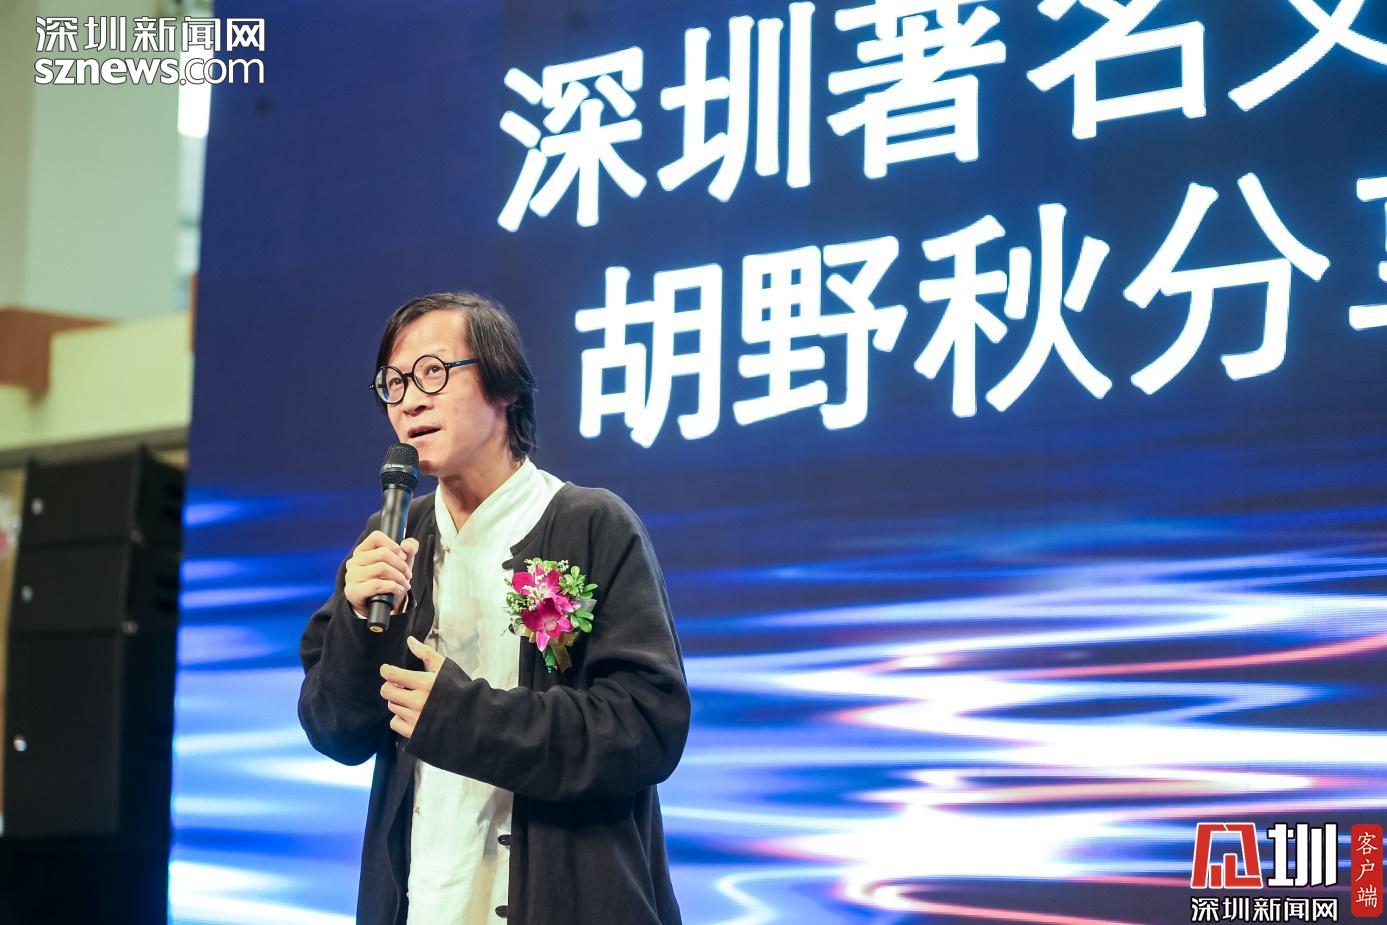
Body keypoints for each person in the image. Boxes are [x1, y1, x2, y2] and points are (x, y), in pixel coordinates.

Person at [297, 292, 689, 925]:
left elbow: (647, 727)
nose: (410, 401)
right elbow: (335, 729)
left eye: (432, 372)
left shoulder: (590, 523)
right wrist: (358, 625)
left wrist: (460, 716)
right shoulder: (391, 536)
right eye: (394, 383)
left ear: (503, 386)